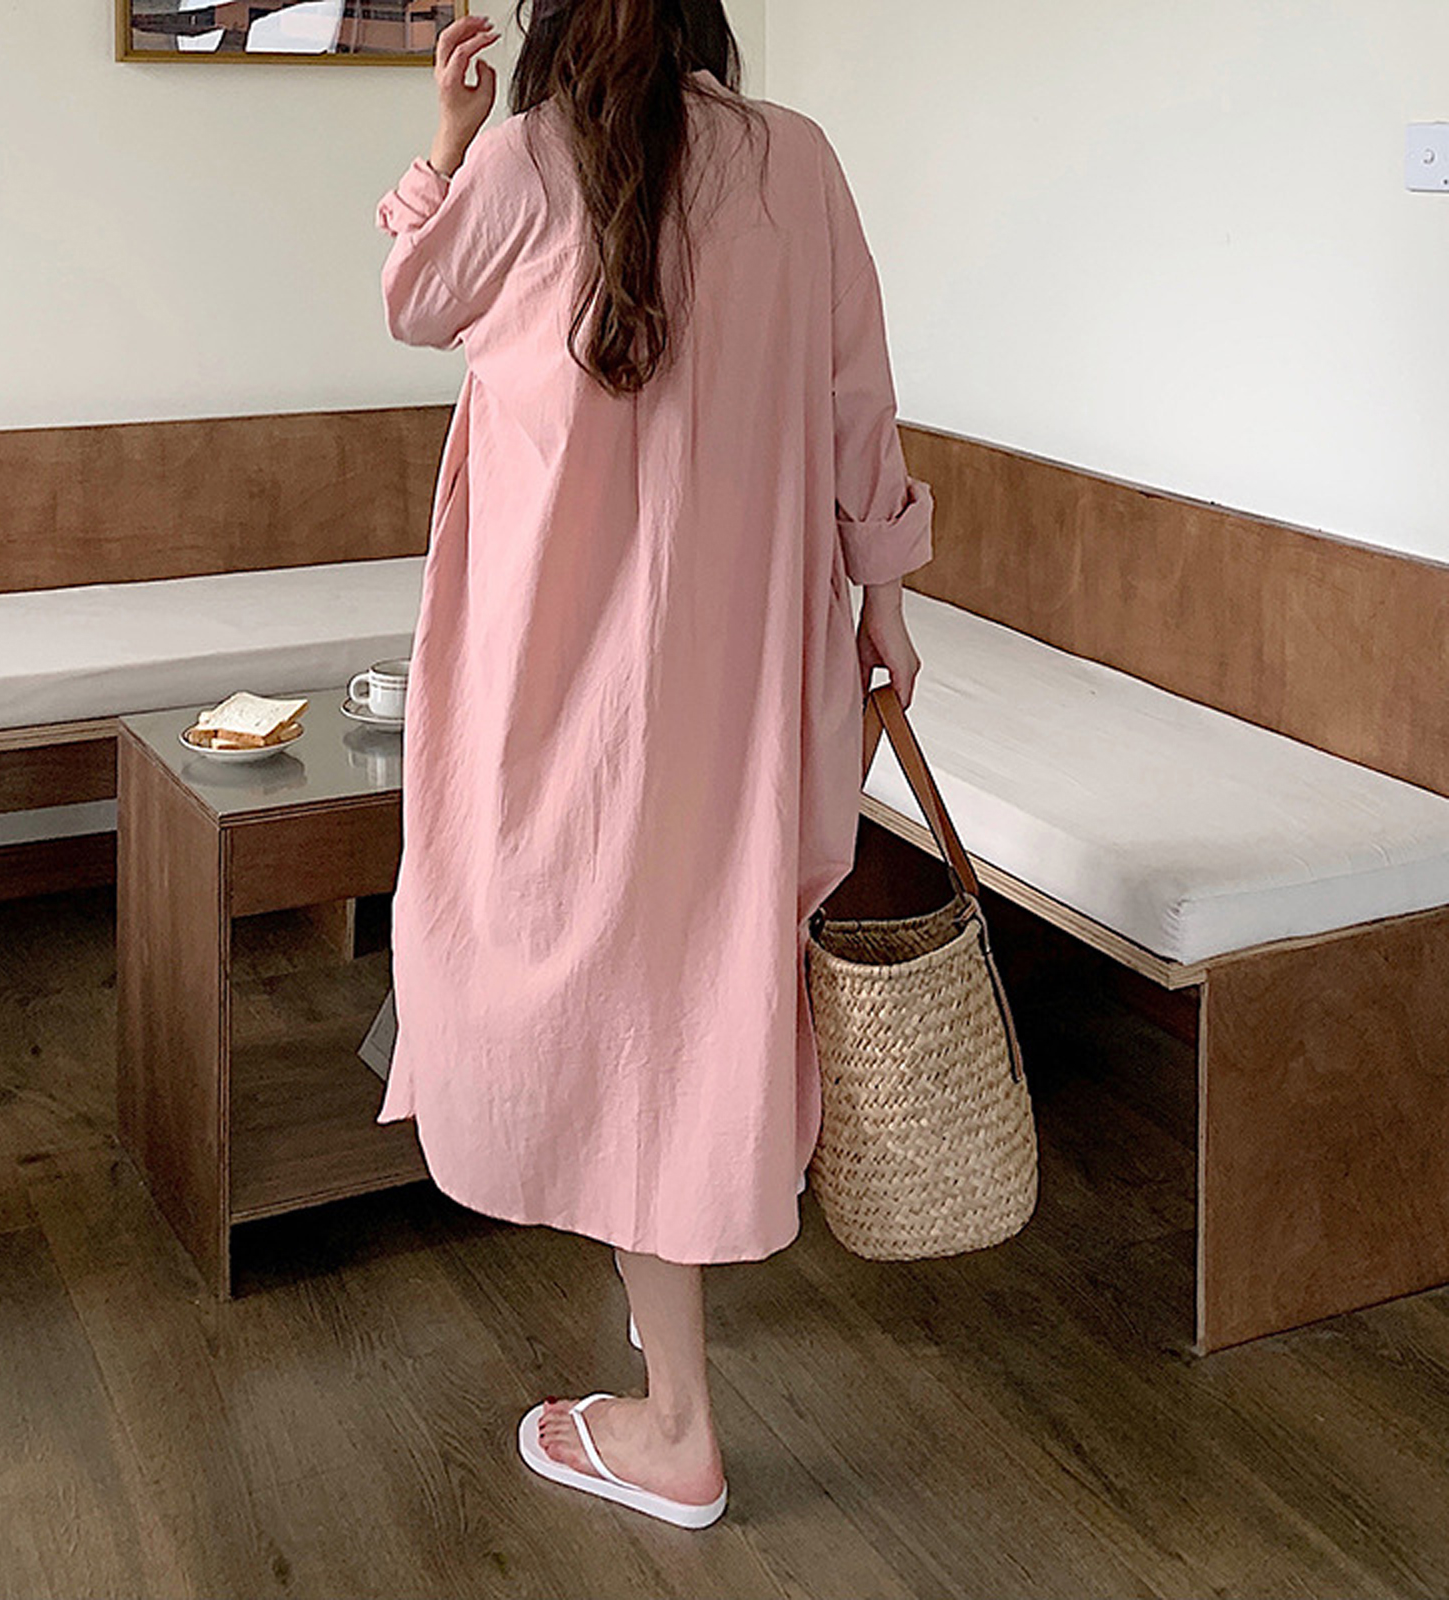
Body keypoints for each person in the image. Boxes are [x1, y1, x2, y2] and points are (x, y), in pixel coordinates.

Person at [372, 0, 931, 1529]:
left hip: (566, 682)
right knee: (691, 983)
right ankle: (662, 1296)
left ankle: (677, 1427)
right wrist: (885, 596)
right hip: (742, 675)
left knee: (589, 980)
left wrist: (445, 145)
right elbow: (859, 402)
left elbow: (415, 299)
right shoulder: (796, 162)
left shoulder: (528, 161)